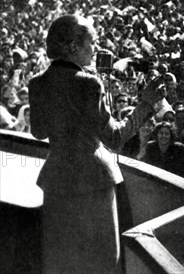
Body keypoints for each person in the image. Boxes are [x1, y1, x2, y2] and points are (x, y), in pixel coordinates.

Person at [29, 14, 163, 274]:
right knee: (102, 262)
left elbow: (38, 132)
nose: (96, 49)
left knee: (63, 261)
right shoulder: (88, 83)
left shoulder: (37, 83)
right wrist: (145, 104)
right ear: (73, 47)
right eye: (91, 42)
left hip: (55, 179)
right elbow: (115, 138)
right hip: (93, 182)